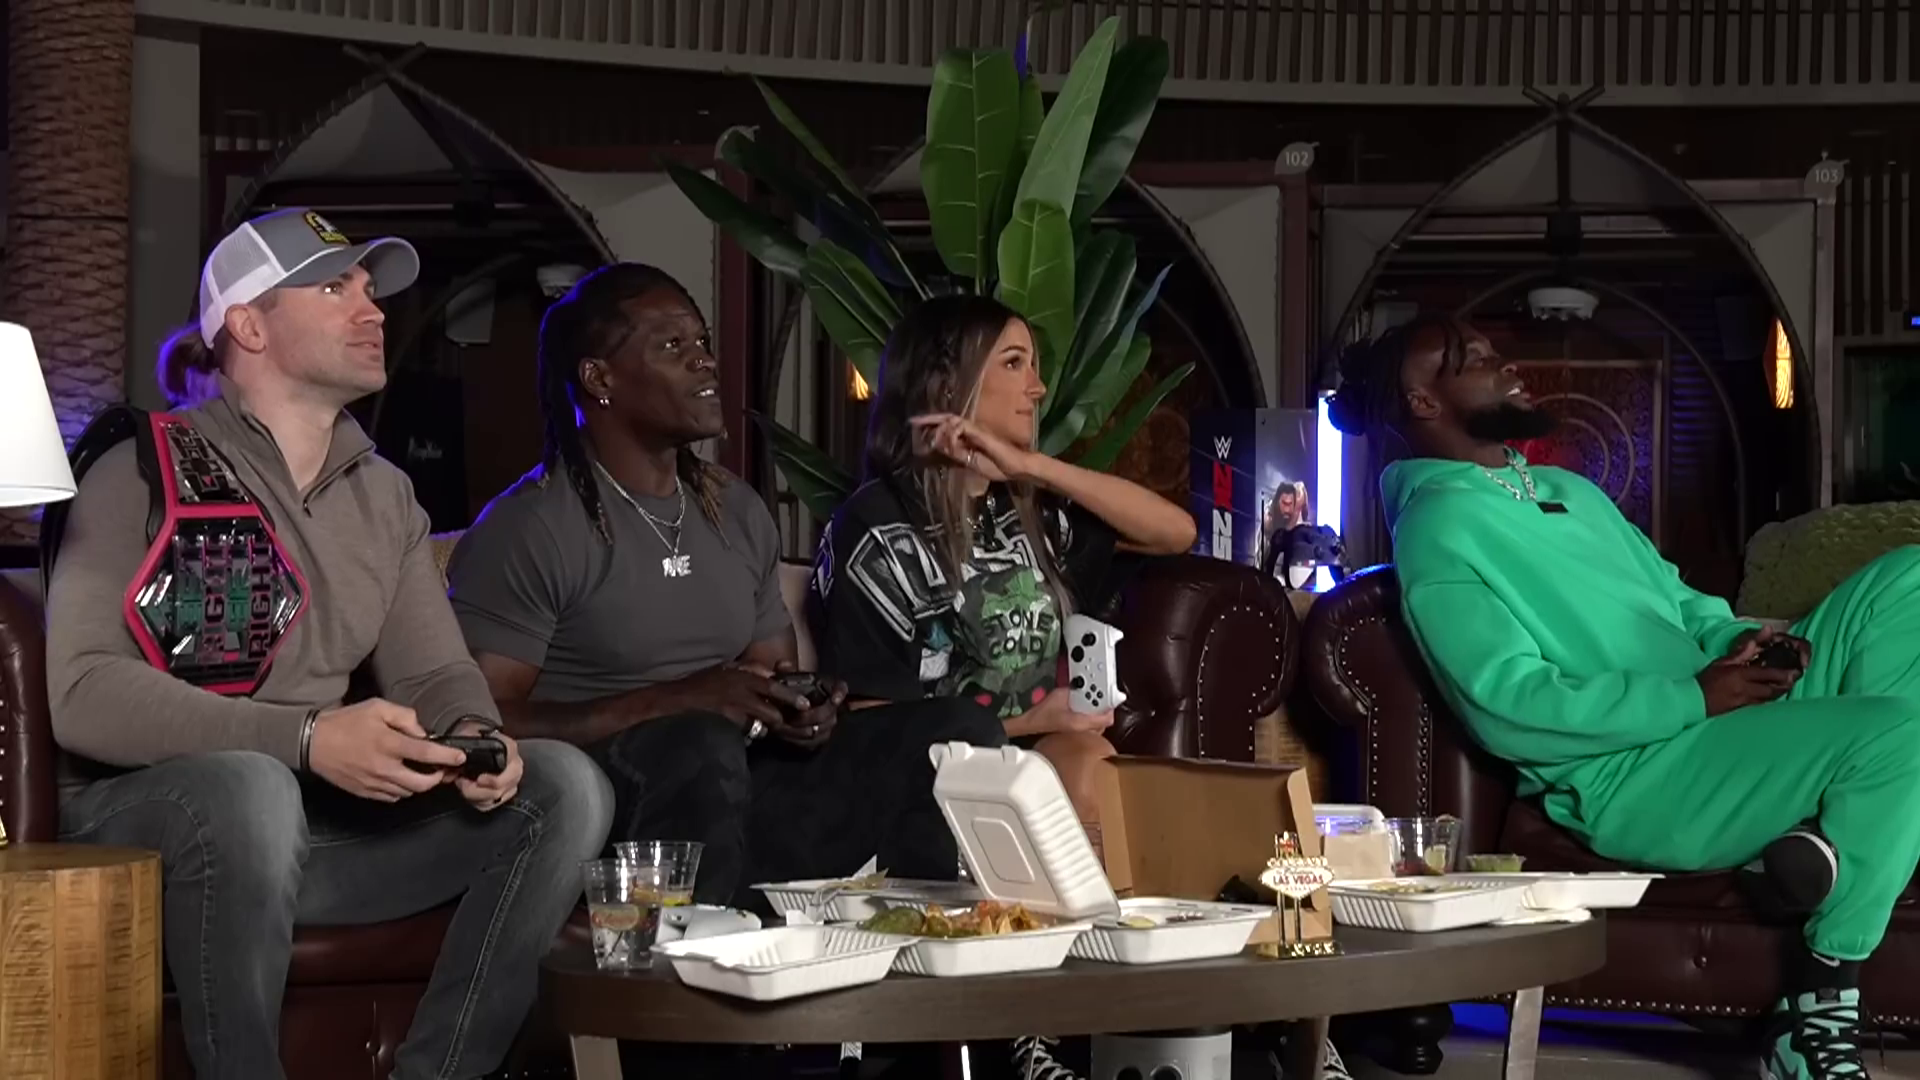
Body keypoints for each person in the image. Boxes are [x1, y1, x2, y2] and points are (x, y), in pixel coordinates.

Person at [42, 208, 614, 1080]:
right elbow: (81, 692)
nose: (372, 308)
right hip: (146, 823)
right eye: (334, 287)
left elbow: (433, 669)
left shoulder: (385, 496)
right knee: (251, 789)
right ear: (248, 325)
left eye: (371, 289)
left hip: (311, 833)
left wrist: (475, 737)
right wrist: (306, 738)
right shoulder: (138, 468)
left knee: (565, 786)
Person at [1327, 314, 1920, 1080]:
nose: (1502, 361)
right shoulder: (1439, 526)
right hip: (1644, 772)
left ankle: (1822, 830)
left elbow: (1680, 603)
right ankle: (1815, 1007)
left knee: (1907, 581)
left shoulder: (1567, 490)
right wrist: (1693, 699)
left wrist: (1744, 643)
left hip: (1721, 712)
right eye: (1470, 358)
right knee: (1903, 732)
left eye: (1491, 347)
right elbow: (1507, 704)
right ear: (1422, 401)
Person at [445, 262, 1005, 910]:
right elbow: (483, 722)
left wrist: (804, 709)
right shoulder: (531, 527)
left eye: (703, 342)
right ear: (599, 379)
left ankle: (915, 942)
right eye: (672, 345)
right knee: (699, 739)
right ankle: (695, 953)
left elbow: (775, 672)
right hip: (612, 804)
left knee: (956, 733)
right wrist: (682, 700)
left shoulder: (734, 509)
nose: (705, 361)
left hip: (737, 786)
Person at [807, 294, 1198, 1080]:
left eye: (1035, 367)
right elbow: (874, 716)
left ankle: (1118, 1022)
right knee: (1076, 770)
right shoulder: (878, 527)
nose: (1038, 387)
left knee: (1099, 773)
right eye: (1014, 364)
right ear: (947, 385)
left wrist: (1031, 468)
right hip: (921, 779)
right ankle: (1050, 1029)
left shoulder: (1030, 514)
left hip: (1035, 762)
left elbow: (1174, 532)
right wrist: (1031, 719)